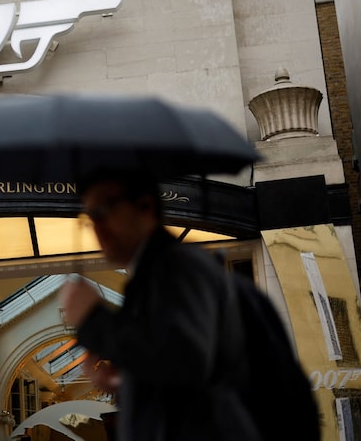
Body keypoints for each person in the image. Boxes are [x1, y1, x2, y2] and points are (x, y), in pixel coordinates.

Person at [59, 169, 264, 441]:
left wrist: (93, 320)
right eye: (91, 217)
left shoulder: (177, 269)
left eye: (105, 209)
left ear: (145, 206)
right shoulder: (152, 273)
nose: (98, 226)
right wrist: (121, 382)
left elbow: (188, 364)